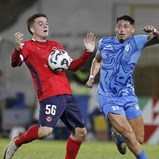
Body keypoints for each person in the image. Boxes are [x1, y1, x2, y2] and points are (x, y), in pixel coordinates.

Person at [3, 13, 95, 159]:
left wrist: (87, 53)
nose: (45, 25)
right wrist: (17, 49)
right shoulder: (27, 46)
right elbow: (14, 63)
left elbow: (72, 66)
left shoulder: (55, 45)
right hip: (49, 95)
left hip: (67, 95)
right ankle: (17, 142)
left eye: (46, 23)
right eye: (40, 23)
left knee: (80, 132)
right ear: (32, 29)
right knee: (45, 131)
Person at [86, 15, 159, 159]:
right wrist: (92, 76)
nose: (121, 29)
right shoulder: (104, 43)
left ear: (132, 30)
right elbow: (97, 60)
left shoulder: (137, 41)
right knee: (129, 134)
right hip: (108, 96)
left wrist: (155, 31)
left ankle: (119, 139)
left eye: (126, 27)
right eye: (119, 26)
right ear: (115, 28)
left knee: (138, 139)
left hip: (128, 95)